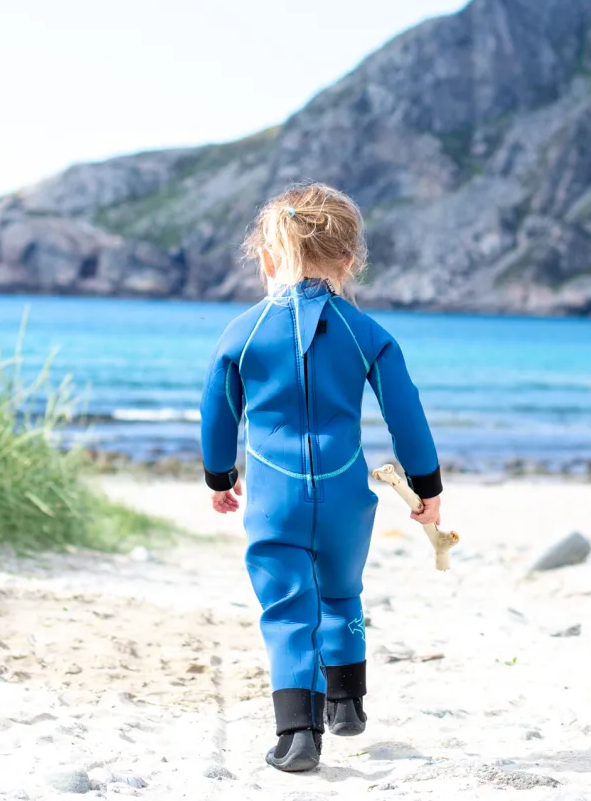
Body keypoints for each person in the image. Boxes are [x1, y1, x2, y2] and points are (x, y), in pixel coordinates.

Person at [199, 183, 444, 773]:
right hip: (343, 496)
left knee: (288, 607)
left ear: (266, 259)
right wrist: (427, 488)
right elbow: (405, 412)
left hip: (275, 500)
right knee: (341, 592)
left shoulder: (243, 332)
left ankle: (297, 734)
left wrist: (218, 477)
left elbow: (217, 410)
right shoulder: (369, 334)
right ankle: (348, 702)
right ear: (349, 261)